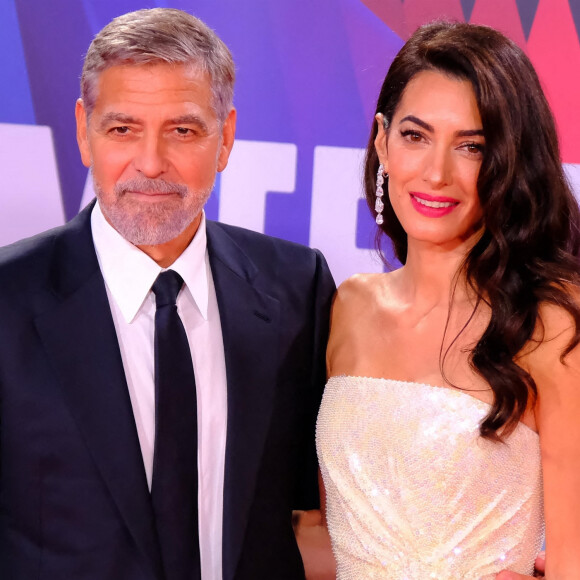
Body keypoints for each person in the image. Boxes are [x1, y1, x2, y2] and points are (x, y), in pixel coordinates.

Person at [0, 8, 335, 580]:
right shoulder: (8, 299)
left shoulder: (296, 289)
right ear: (84, 131)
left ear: (225, 138)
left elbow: (320, 519)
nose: (151, 164)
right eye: (122, 128)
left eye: (182, 130)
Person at [316, 21, 580, 579]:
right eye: (415, 136)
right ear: (382, 140)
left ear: (509, 162)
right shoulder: (347, 308)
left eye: (471, 147)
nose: (436, 173)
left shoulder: (551, 323)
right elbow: (325, 534)